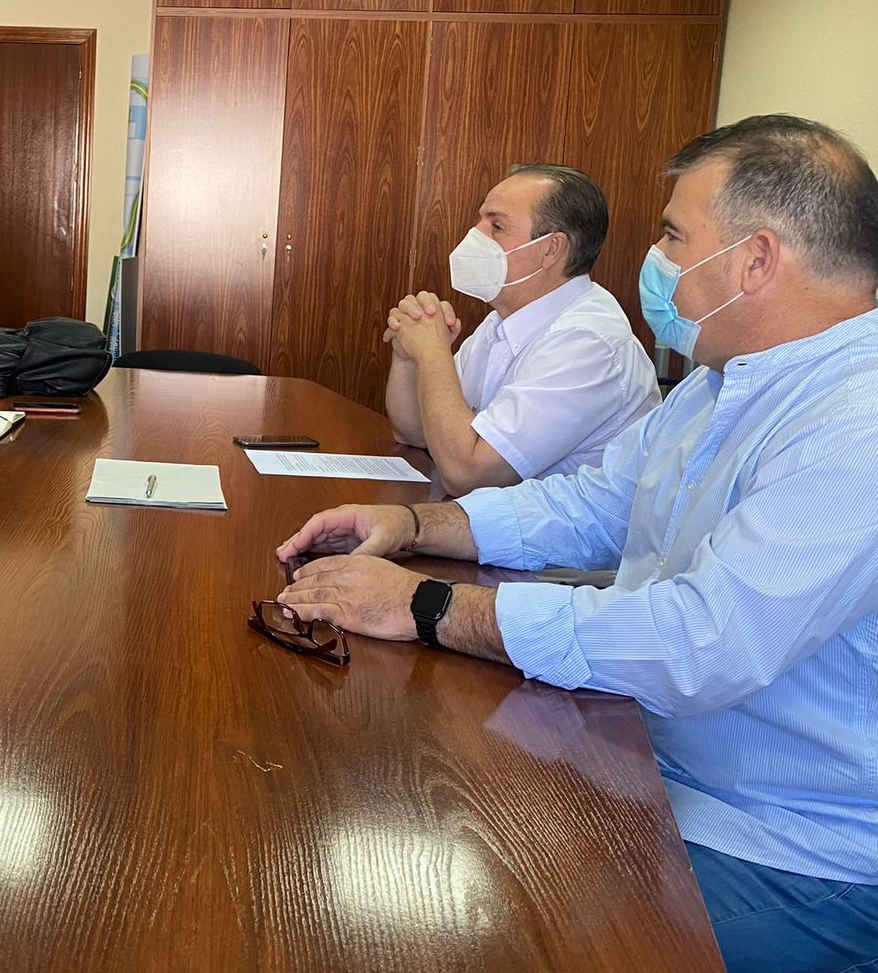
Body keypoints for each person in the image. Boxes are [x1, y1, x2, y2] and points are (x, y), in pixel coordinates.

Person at [277, 116, 878, 972]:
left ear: (756, 259)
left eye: (674, 234)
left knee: (476, 933)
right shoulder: (716, 385)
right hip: (648, 759)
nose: (657, 259)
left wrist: (430, 604)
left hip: (784, 845)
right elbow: (594, 505)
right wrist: (412, 528)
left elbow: (696, 643)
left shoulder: (857, 422)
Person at [384, 164, 659, 496]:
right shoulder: (502, 321)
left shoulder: (587, 342)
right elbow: (414, 432)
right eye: (480, 220)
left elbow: (466, 473)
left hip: (559, 546)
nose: (475, 234)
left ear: (550, 249)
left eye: (496, 225)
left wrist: (432, 352)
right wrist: (407, 356)